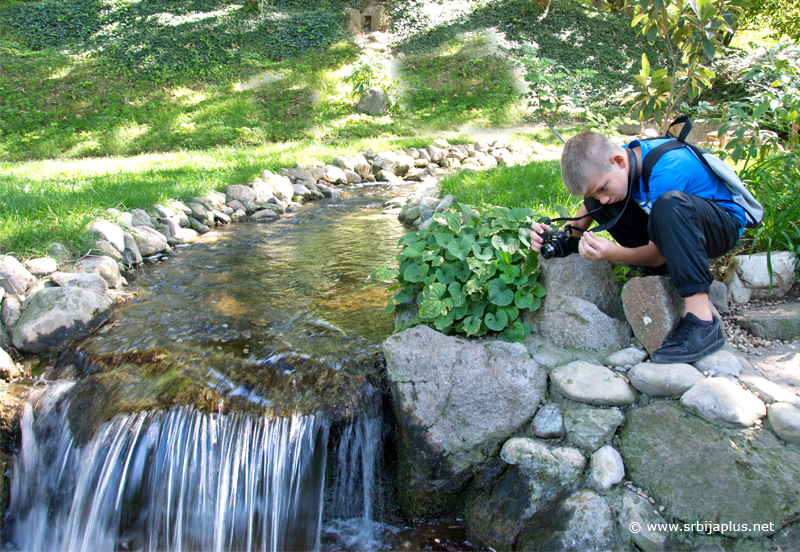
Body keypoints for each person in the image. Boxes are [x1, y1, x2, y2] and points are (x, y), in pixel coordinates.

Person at [530, 131, 747, 363]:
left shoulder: (668, 169)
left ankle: (701, 319)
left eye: (603, 188)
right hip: (675, 225)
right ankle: (670, 275)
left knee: (669, 204)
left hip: (720, 227)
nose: (602, 199)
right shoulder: (618, 162)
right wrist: (557, 239)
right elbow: (588, 210)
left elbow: (658, 255)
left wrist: (612, 253)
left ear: (619, 162)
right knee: (602, 199)